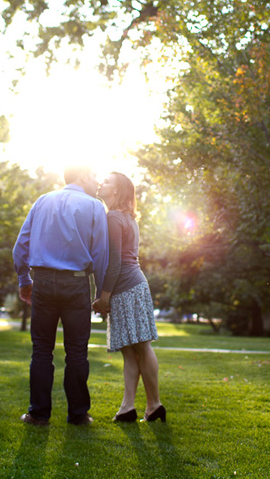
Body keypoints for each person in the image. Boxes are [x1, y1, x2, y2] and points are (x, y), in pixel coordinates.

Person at [13, 165, 109, 426]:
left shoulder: (42, 201)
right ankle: (78, 415)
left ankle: (38, 414)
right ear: (84, 175)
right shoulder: (94, 207)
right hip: (76, 284)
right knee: (77, 352)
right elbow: (101, 255)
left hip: (42, 283)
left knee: (41, 351)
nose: (97, 182)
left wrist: (24, 281)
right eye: (95, 176)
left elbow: (20, 246)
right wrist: (102, 294)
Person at [92, 172, 165, 423]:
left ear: (117, 191)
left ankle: (149, 405)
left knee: (137, 349)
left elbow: (113, 263)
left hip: (125, 287)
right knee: (138, 348)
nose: (102, 182)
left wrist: (104, 297)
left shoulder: (113, 217)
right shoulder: (128, 218)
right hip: (136, 285)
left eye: (108, 181)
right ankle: (133, 407)